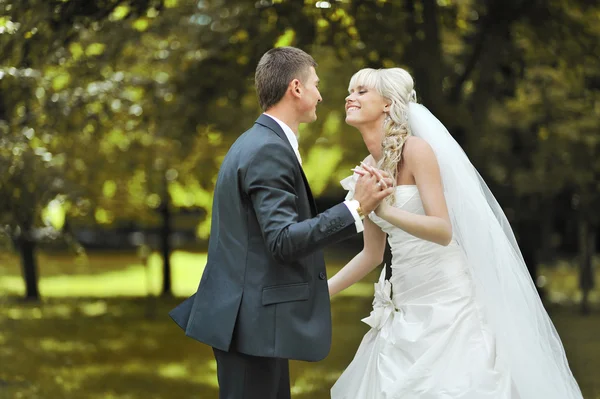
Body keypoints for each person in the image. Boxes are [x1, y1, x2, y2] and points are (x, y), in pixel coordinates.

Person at [328, 67, 583, 399]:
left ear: (388, 104)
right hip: (406, 302)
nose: (350, 97)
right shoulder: (368, 168)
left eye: (362, 91)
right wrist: (322, 292)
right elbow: (372, 255)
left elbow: (443, 229)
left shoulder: (416, 150)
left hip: (448, 299)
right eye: (351, 91)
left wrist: (386, 211)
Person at [168, 47, 394, 399]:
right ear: (296, 88)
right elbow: (283, 240)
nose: (321, 94)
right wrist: (355, 208)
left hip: (254, 323)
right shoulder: (267, 150)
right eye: (315, 85)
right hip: (249, 326)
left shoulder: (260, 142)